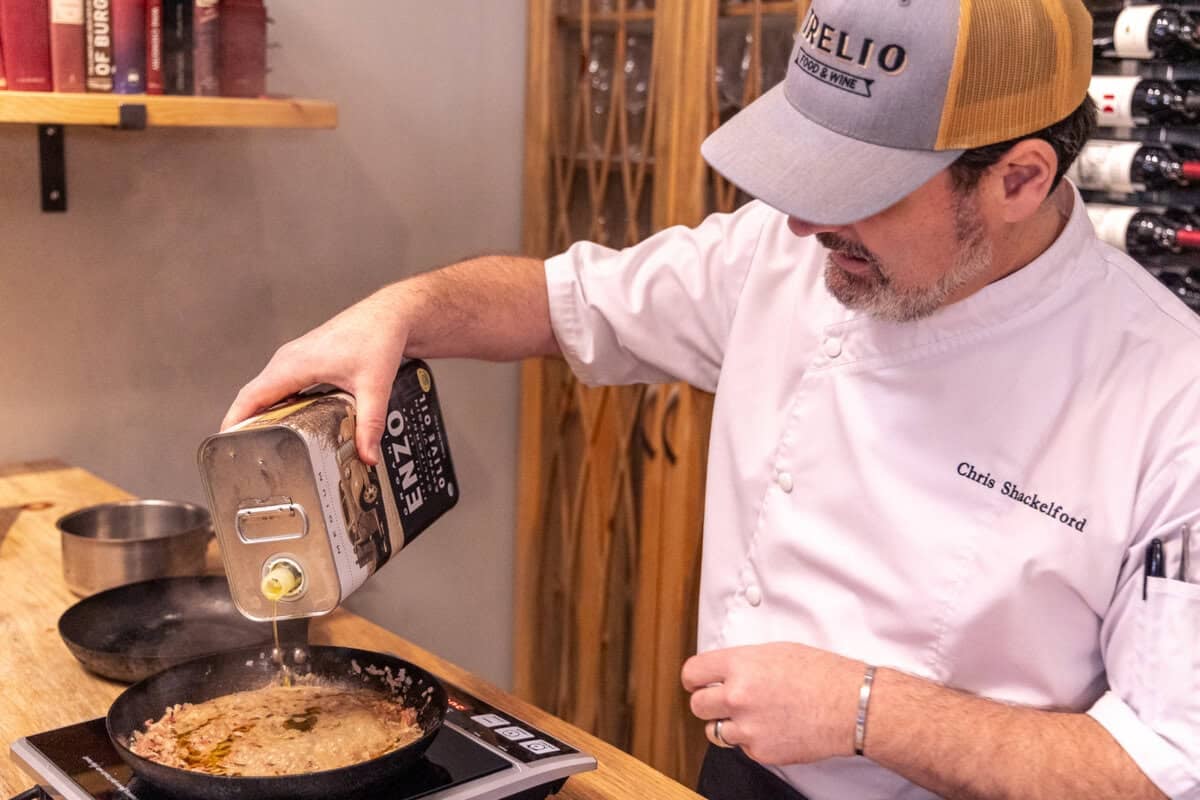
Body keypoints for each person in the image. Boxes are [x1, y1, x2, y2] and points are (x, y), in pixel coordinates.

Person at [223, 1, 1200, 798]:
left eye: (863, 186)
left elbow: (1164, 762)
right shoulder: (787, 253)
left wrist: (868, 710)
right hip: (737, 770)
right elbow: (565, 300)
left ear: (1020, 178)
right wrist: (400, 310)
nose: (807, 217)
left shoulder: (1168, 396)